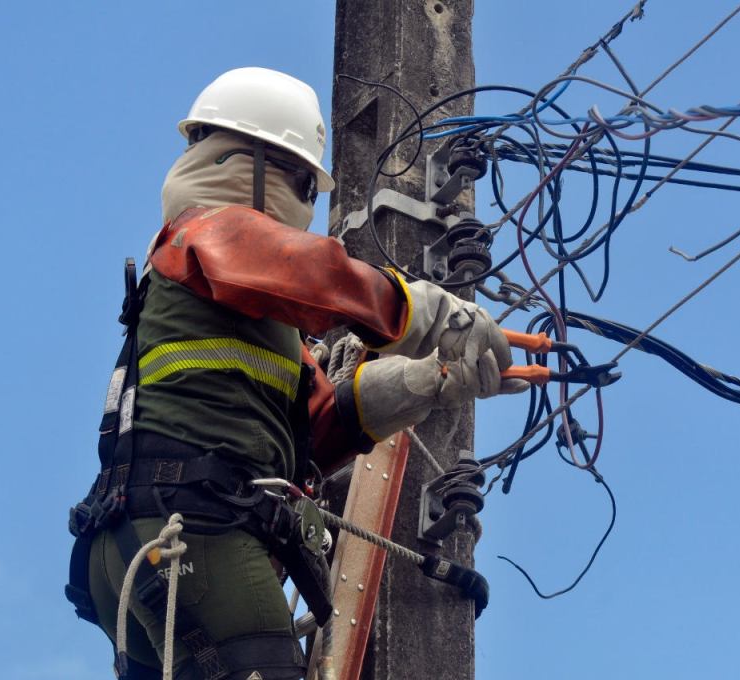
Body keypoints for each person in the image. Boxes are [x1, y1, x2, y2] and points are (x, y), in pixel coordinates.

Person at [65, 66, 525, 680]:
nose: (306, 207)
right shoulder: (211, 233)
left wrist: (431, 380)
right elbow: (306, 272)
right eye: (305, 185)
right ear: (256, 166)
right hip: (193, 530)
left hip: (139, 541)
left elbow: (315, 430)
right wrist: (433, 313)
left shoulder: (236, 308)